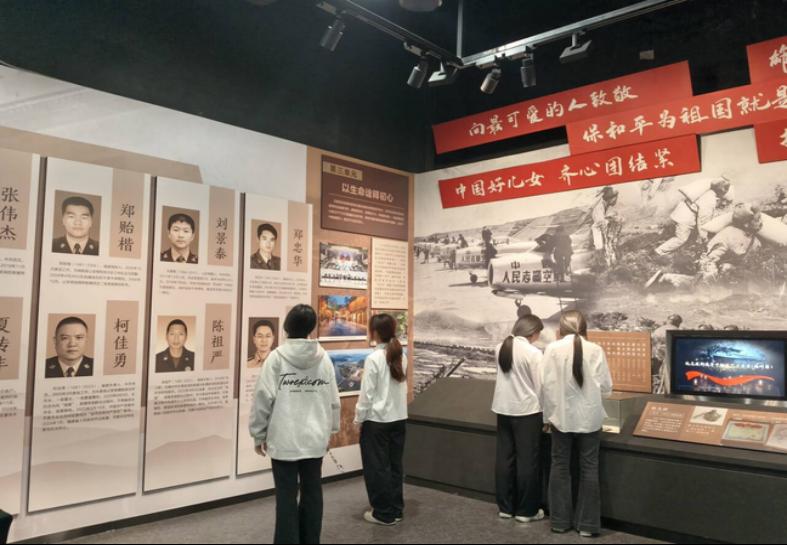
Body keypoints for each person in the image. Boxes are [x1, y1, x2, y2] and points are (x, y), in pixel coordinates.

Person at [250, 305, 340, 545]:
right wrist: (331, 430)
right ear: (311, 328)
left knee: (286, 498)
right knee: (313, 494)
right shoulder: (323, 358)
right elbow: (333, 399)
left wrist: (258, 434)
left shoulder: (276, 358)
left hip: (284, 439)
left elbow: (263, 399)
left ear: (287, 326)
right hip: (314, 438)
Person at [542, 310, 612, 537]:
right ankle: (588, 525)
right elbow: (606, 388)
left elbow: (546, 386)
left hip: (560, 417)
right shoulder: (596, 350)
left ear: (561, 328)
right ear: (584, 328)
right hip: (590, 419)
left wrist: (547, 417)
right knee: (589, 468)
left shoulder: (552, 349)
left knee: (559, 466)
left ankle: (559, 521)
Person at [355, 313, 409, 526]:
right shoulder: (401, 355)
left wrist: (358, 419)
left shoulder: (374, 358)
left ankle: (383, 513)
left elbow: (367, 395)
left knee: (377, 468)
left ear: (375, 332)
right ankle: (396, 509)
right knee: (395, 466)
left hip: (377, 421)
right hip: (399, 419)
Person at [493, 315, 546, 524]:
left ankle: (505, 508)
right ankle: (526, 511)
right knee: (527, 461)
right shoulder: (533, 353)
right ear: (533, 332)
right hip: (527, 412)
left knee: (504, 458)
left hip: (503, 409)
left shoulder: (500, 348)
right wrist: (547, 412)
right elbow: (540, 386)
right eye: (539, 333)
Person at [655, 177, 731, 257]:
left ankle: (658, 243)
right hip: (686, 217)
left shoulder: (706, 191)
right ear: (723, 191)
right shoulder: (710, 200)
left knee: (673, 232)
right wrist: (704, 238)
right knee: (681, 239)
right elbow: (703, 221)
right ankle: (658, 252)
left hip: (680, 210)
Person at [698, 203, 762, 283]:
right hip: (726, 278)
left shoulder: (754, 241)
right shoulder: (730, 234)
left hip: (730, 277)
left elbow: (708, 259)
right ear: (746, 224)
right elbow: (708, 260)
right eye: (757, 219)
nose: (760, 222)